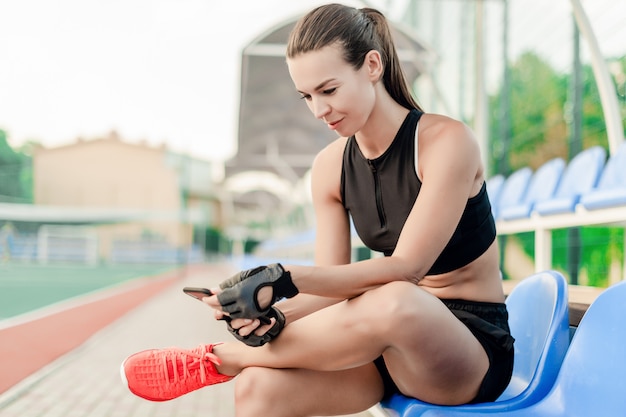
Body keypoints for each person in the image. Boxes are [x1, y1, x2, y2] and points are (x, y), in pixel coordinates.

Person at [120, 4, 514, 416]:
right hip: (384, 348)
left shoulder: (446, 142)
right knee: (260, 387)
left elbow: (407, 269)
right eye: (307, 96)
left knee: (396, 297)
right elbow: (332, 289)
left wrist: (285, 277)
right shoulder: (329, 167)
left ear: (372, 66)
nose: (318, 110)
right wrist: (272, 314)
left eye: (329, 90)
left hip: (466, 350)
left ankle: (218, 360)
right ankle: (239, 364)